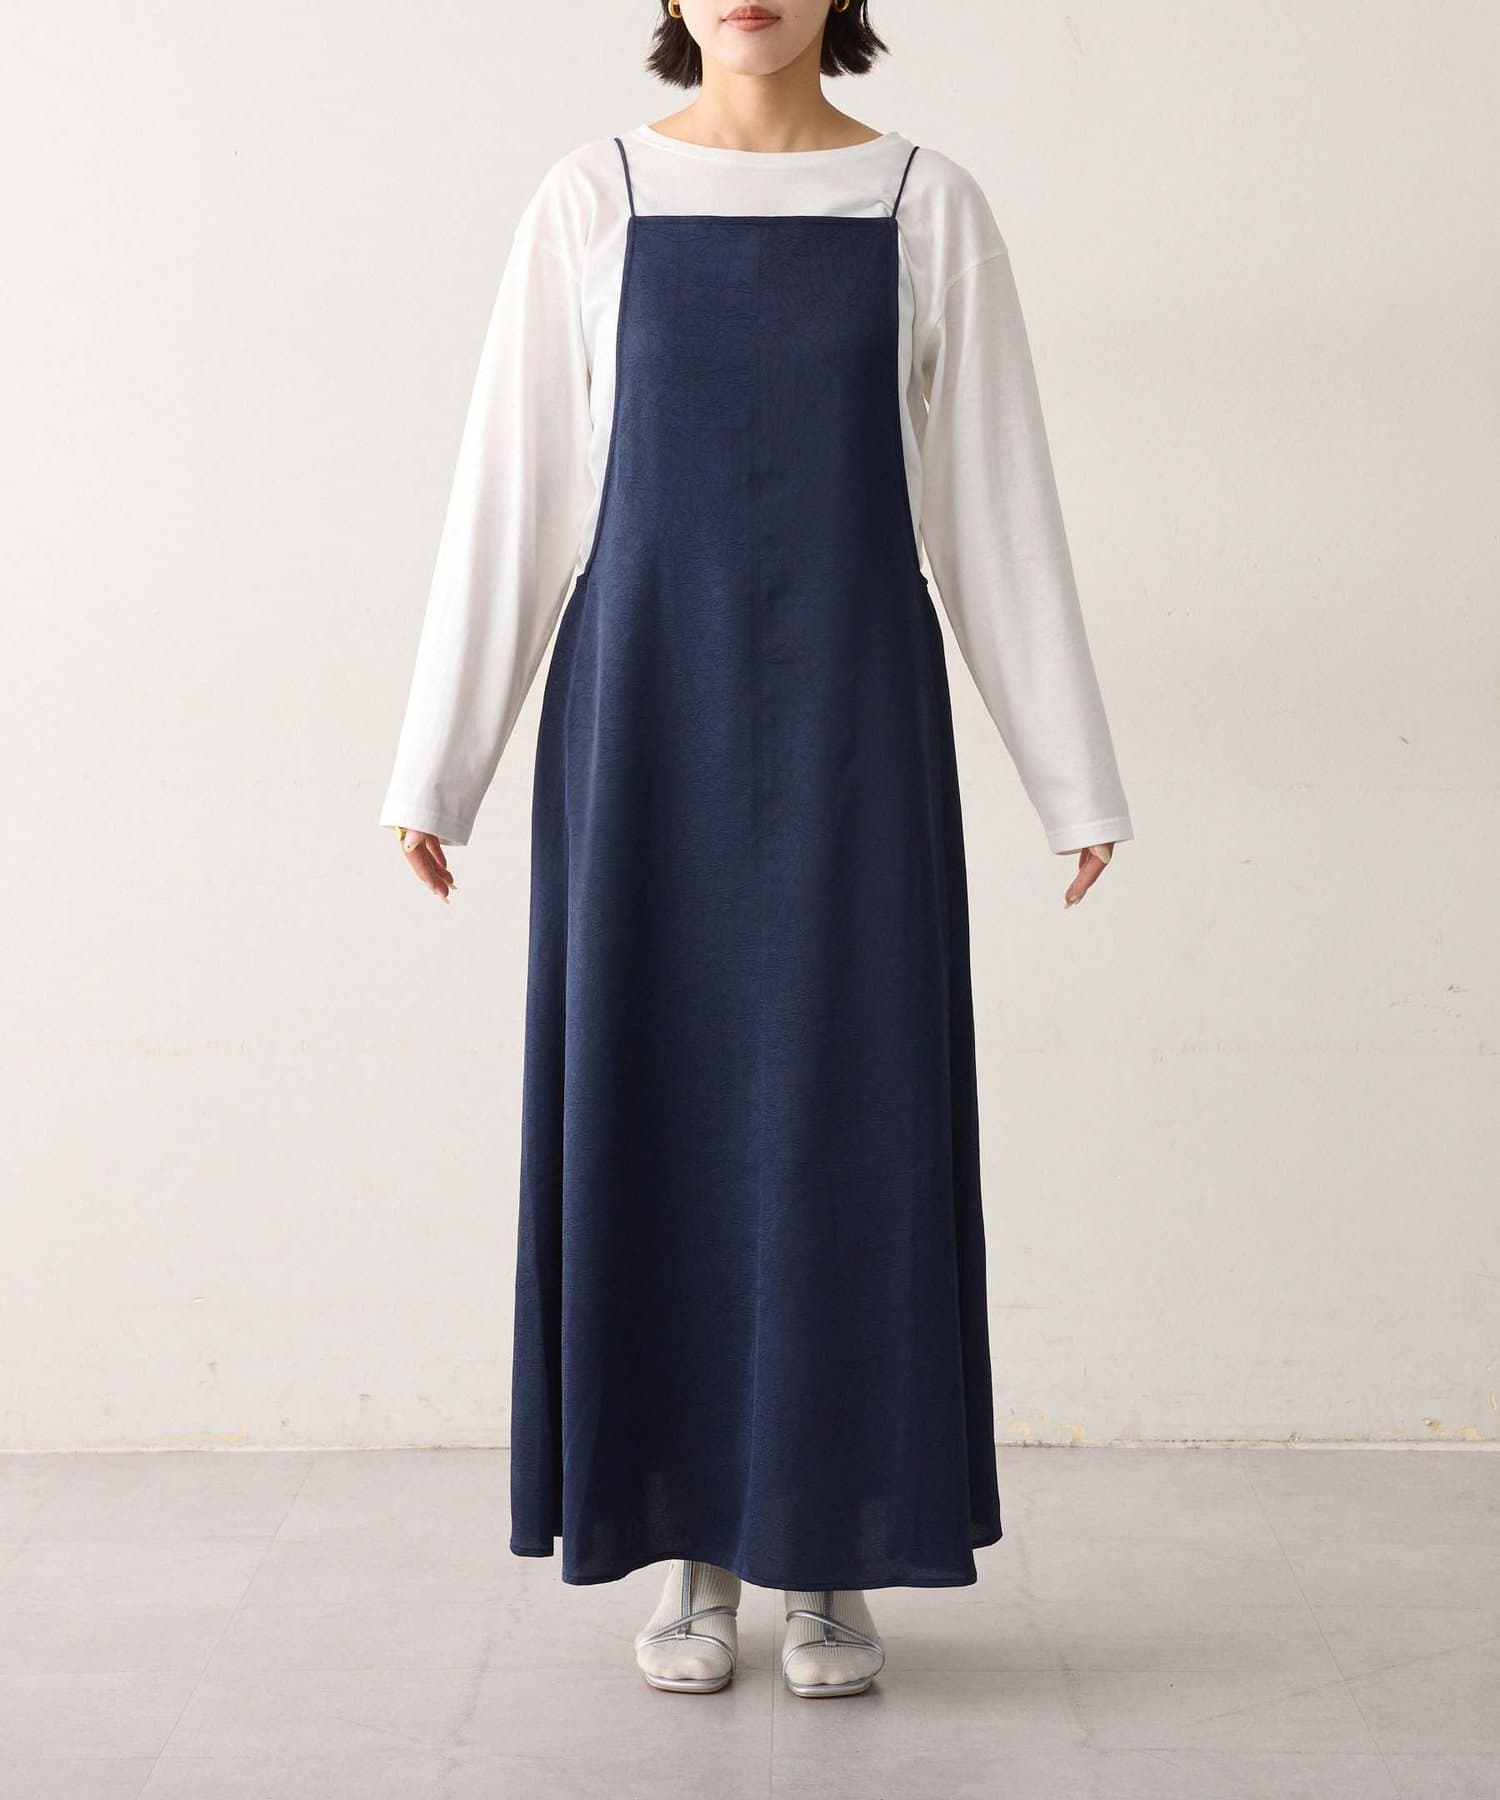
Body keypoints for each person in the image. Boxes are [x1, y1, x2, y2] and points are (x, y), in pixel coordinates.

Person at [379, 0, 1133, 1700]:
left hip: (857, 724)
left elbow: (993, 498)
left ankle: (830, 1550)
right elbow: (516, 485)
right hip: (645, 721)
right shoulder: (595, 195)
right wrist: (441, 763)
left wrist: (1071, 780)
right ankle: (692, 1556)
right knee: (660, 1109)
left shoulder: (924, 201)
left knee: (852, 1119)